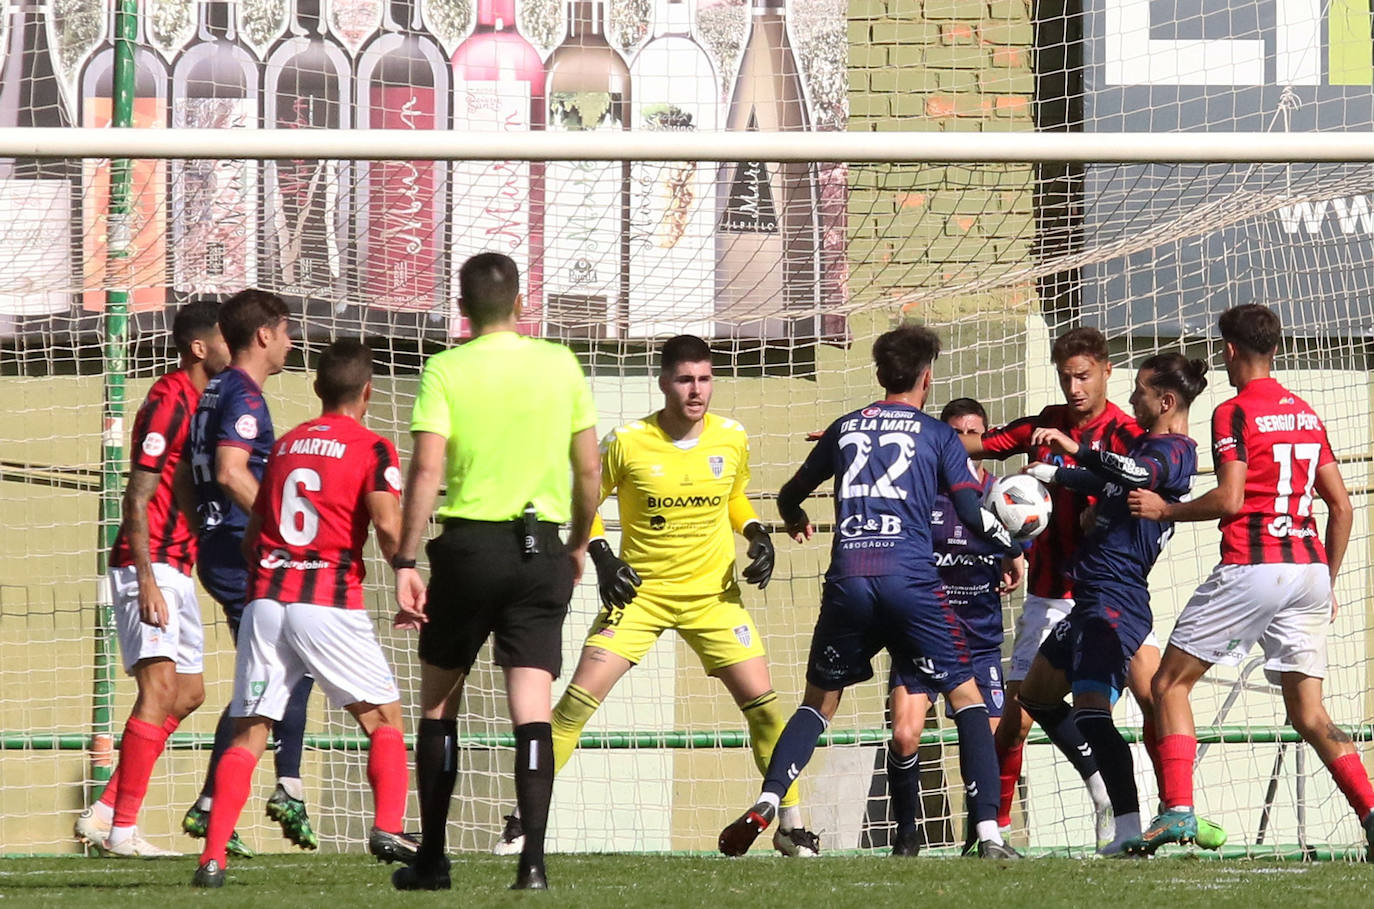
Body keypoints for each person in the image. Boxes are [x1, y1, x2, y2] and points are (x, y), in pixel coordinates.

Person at [493, 335, 820, 859]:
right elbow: (587, 500)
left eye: (705, 379)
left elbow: (735, 496)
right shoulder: (627, 440)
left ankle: (792, 824)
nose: (697, 391)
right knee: (573, 707)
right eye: (686, 379)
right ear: (665, 381)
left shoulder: (731, 437)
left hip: (713, 598)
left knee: (764, 709)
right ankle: (525, 822)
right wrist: (602, 555)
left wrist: (757, 533)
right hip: (640, 596)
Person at [718, 325, 1021, 861]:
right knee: (966, 698)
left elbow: (791, 494)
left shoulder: (845, 428)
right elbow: (973, 515)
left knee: (818, 705)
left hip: (849, 582)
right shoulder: (938, 435)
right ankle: (990, 836)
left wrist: (794, 517)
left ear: (880, 374)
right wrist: (1012, 539)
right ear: (926, 377)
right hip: (911, 583)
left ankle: (768, 800)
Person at [1123, 305, 1374, 857]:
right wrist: (1327, 581)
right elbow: (1342, 506)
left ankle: (1179, 812)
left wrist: (1166, 510)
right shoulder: (1307, 414)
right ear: (1275, 349)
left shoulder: (1233, 412)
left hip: (1254, 565)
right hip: (1308, 570)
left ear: (1231, 350)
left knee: (1168, 685)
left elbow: (1231, 499)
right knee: (1309, 714)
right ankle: (1371, 812)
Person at [390, 252, 601, 892]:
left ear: (460, 310)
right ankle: (532, 863)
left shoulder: (445, 368)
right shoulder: (560, 363)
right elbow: (590, 472)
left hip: (469, 549)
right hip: (540, 549)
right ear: (521, 304)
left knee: (438, 703)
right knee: (531, 709)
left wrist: (404, 558)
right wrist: (577, 543)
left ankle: (431, 859)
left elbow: (426, 471)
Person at [193, 340, 415, 887]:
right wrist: (407, 571)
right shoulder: (372, 447)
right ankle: (389, 827)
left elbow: (258, 530)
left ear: (317, 389)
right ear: (367, 391)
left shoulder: (287, 444)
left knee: (250, 730)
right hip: (328, 600)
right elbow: (388, 526)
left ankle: (212, 859)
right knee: (383, 720)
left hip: (267, 599)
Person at [959, 327, 1147, 845]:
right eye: (1066, 377)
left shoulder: (1125, 436)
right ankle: (992, 832)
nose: (1075, 387)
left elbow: (1143, 488)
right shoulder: (1046, 424)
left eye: (1083, 376)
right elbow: (983, 443)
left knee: (1152, 697)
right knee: (1019, 716)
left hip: (1107, 593)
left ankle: (1158, 810)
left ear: (1107, 370)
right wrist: (903, 432)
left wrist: (1097, 510)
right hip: (1048, 593)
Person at [1017, 354, 1206, 855]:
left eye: (1140, 390)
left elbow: (1133, 470)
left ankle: (1125, 827)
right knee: (1035, 696)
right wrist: (1052, 474)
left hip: (1116, 601)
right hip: (1089, 599)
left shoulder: (1175, 451)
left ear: (1166, 401)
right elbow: (1109, 482)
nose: (1131, 399)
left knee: (1093, 713)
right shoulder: (1146, 445)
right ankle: (1113, 800)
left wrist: (1074, 448)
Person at [73, 302, 230, 857]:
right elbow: (136, 493)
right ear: (199, 348)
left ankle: (108, 810)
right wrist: (146, 578)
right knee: (157, 689)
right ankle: (121, 829)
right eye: (224, 339)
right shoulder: (167, 400)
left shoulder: (204, 402)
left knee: (188, 694)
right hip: (150, 563)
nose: (232, 347)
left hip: (178, 563)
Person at [176, 289, 314, 856]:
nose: (290, 342)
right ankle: (284, 786)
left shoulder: (212, 391)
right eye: (285, 331)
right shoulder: (243, 396)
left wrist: (202, 526)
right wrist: (277, 526)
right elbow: (233, 471)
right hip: (243, 550)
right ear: (264, 335)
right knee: (287, 667)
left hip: (223, 543)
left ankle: (214, 801)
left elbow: (187, 473)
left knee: (268, 673)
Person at [886, 398, 1024, 858]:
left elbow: (1023, 539)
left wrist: (1016, 553)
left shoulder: (1002, 496)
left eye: (974, 432)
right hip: (924, 634)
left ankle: (979, 839)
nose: (965, 441)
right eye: (955, 432)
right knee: (905, 735)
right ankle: (906, 836)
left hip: (979, 641)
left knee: (987, 738)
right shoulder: (922, 496)